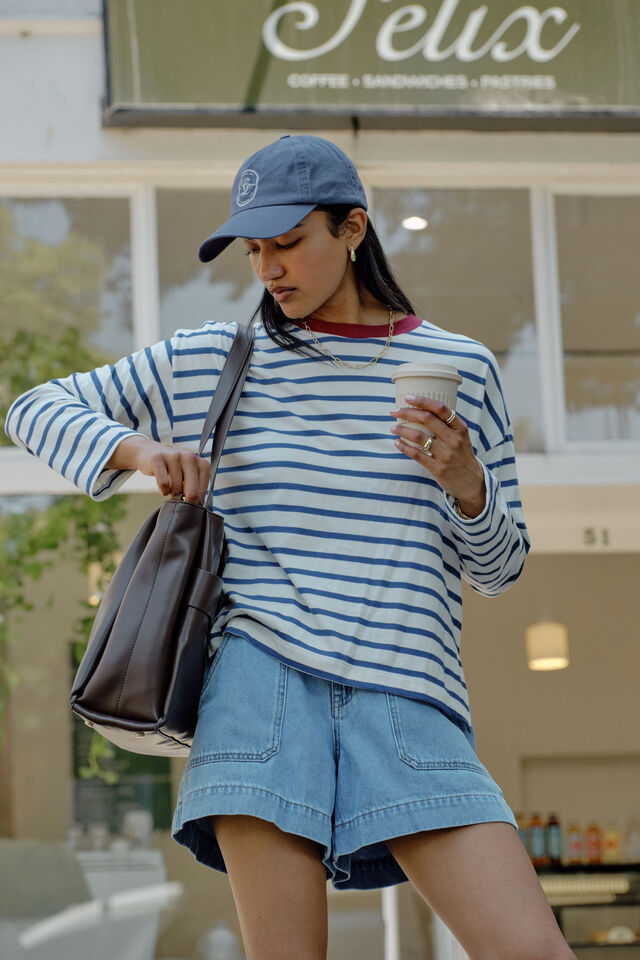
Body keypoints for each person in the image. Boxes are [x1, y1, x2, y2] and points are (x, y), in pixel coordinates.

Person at [5, 134, 576, 960]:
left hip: (407, 691)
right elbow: (33, 408)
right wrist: (140, 450)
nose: (269, 268)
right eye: (253, 250)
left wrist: (467, 482)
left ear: (353, 229)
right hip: (260, 689)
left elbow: (499, 568)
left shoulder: (460, 369)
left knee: (532, 951)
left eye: (288, 242)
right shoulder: (216, 357)